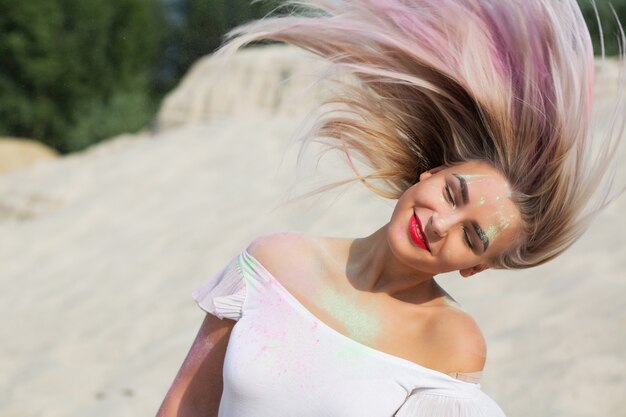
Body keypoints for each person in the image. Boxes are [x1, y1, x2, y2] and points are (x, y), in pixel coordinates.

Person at [156, 0, 625, 416]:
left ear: (476, 268)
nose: (441, 223)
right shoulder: (272, 260)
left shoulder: (452, 343)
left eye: (472, 236)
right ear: (430, 174)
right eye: (452, 194)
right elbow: (185, 404)